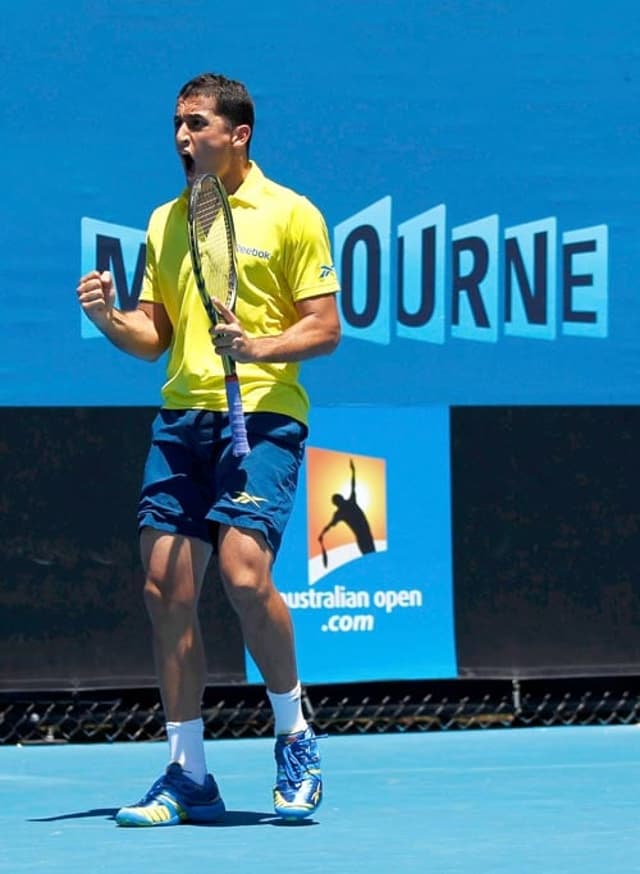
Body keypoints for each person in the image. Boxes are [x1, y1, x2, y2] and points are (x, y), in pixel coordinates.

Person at [76, 72, 341, 826]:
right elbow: (153, 335)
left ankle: (294, 730)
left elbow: (324, 328)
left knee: (244, 572)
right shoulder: (166, 220)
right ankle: (187, 770)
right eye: (177, 125)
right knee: (165, 586)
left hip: (262, 417)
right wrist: (107, 318)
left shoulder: (293, 213)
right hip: (181, 419)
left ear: (238, 133)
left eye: (196, 124)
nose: (182, 138)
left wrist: (257, 346)